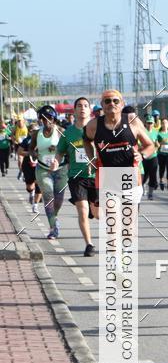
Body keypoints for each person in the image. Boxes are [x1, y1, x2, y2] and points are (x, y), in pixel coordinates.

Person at [84, 90, 155, 206]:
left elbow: (150, 145)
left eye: (115, 101)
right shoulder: (93, 125)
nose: (111, 104)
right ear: (102, 105)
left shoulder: (133, 121)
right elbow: (86, 140)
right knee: (112, 220)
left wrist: (142, 155)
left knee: (128, 221)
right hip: (106, 177)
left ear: (122, 104)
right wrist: (91, 159)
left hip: (130, 177)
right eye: (107, 101)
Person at [56, 96, 98, 256]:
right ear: (74, 110)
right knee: (82, 210)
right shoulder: (69, 132)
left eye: (85, 105)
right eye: (79, 106)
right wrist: (56, 161)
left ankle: (91, 211)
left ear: (89, 110)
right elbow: (60, 151)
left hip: (96, 176)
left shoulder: (97, 129)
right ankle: (89, 245)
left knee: (97, 214)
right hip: (76, 176)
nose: (82, 108)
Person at [31, 105, 69, 239]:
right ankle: (53, 228)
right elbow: (31, 149)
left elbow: (68, 149)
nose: (47, 120)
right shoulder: (36, 133)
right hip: (43, 169)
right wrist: (34, 154)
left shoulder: (61, 131)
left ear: (54, 119)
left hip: (61, 169)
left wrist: (58, 149)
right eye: (43, 118)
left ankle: (54, 217)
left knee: (58, 200)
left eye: (50, 118)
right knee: (48, 196)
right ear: (40, 119)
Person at [17, 128, 42, 213]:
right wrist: (29, 153)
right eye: (32, 131)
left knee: (39, 185)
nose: (34, 132)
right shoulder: (26, 140)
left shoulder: (42, 139)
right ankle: (31, 192)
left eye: (36, 131)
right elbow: (19, 152)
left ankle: (35, 205)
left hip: (40, 165)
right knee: (29, 187)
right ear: (29, 131)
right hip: (28, 165)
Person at [141, 113, 159, 199]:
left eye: (151, 123)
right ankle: (143, 186)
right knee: (144, 175)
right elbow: (139, 143)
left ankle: (150, 193)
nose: (150, 125)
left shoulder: (156, 132)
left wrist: (157, 146)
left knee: (153, 175)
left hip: (153, 156)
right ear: (145, 123)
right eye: (148, 123)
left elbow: (158, 143)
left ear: (154, 123)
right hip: (144, 157)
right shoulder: (142, 132)